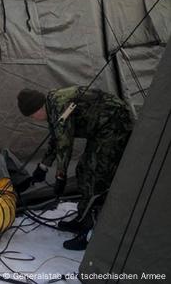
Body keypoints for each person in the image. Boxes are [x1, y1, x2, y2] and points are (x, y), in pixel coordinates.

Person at [18, 86, 133, 250]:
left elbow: (65, 143)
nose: (34, 119)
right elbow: (56, 138)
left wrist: (60, 176)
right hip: (100, 130)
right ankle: (83, 219)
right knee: (83, 171)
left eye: (32, 116)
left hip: (114, 126)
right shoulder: (52, 104)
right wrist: (42, 167)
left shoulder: (59, 105)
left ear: (37, 109)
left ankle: (92, 233)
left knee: (96, 177)